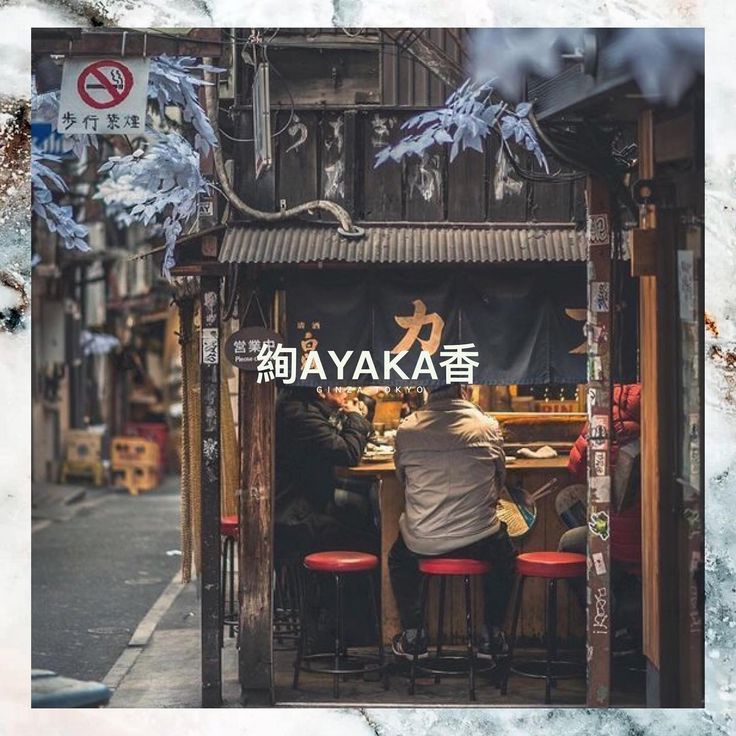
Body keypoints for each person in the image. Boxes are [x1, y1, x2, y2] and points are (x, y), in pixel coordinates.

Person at [388, 384, 516, 660]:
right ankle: (492, 635)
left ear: (429, 391)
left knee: (399, 558)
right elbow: (500, 479)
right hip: (479, 538)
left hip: (423, 540)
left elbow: (402, 480)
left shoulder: (407, 429)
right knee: (505, 554)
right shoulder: (487, 426)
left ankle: (413, 636)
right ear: (464, 390)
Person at [275, 386, 377, 557]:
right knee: (373, 542)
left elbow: (341, 443)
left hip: (303, 503)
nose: (347, 389)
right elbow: (347, 453)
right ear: (322, 391)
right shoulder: (301, 414)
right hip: (294, 517)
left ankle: (334, 582)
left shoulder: (304, 407)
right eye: (340, 383)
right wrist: (355, 417)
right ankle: (340, 581)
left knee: (361, 505)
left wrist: (355, 415)